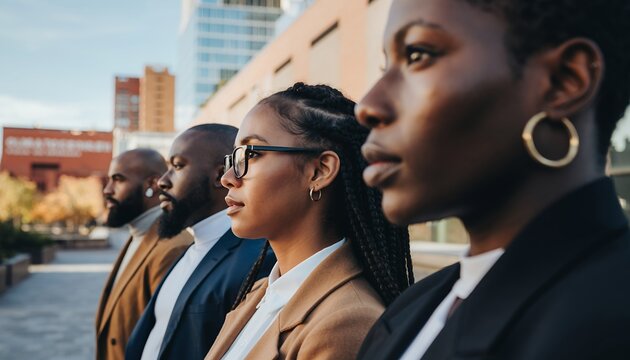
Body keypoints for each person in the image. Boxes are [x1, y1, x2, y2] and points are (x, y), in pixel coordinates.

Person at [354, 0, 630, 359]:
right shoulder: (412, 307)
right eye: (385, 66)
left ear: (564, 81)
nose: (368, 104)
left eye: (418, 54)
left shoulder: (609, 324)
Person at [204, 83, 414, 360]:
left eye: (251, 154)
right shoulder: (260, 293)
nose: (227, 178)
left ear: (319, 171)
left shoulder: (346, 323)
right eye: (233, 157)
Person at [125, 124, 274, 360]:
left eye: (177, 166)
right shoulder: (192, 248)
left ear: (219, 175)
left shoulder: (258, 259)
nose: (162, 182)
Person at [96, 149, 192, 360]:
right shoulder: (137, 233)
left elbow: (167, 340)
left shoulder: (173, 246)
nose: (107, 190)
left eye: (118, 180)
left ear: (152, 184)